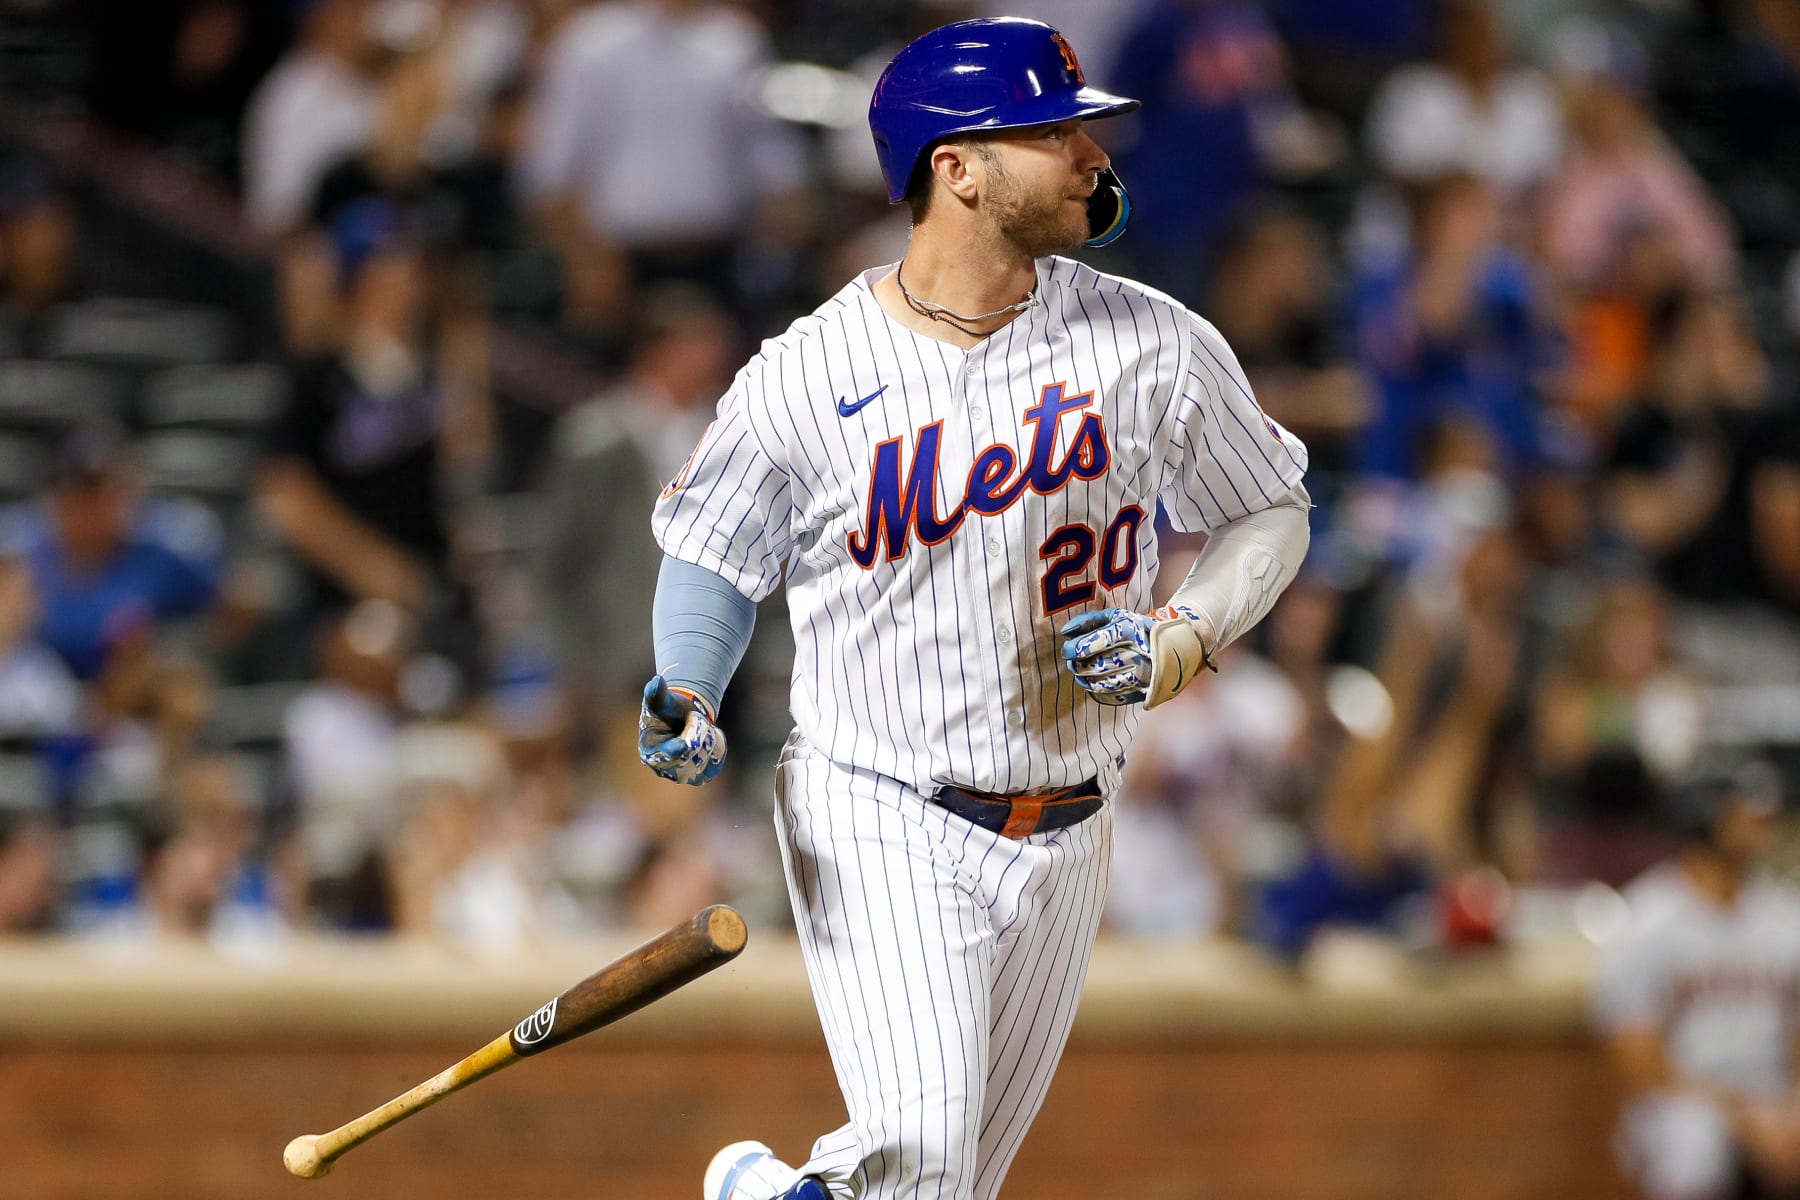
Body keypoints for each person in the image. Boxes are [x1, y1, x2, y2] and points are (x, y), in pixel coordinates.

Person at [634, 19, 1312, 1199]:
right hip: (880, 801)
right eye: (1052, 132)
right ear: (957, 167)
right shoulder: (807, 369)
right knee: (927, 1159)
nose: (1092, 155)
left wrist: (1182, 638)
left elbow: (1273, 511)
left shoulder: (1151, 343)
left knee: (942, 1192)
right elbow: (712, 548)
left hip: (1072, 819)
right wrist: (688, 682)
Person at [1593, 759, 1800, 1200]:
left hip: (1773, 1096)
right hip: (1687, 1098)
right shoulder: (1647, 921)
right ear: (1705, 817)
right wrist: (1741, 1116)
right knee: (1695, 1145)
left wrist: (1793, 1105)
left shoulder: (1784, 916)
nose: (1760, 826)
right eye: (1745, 815)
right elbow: (1639, 1061)